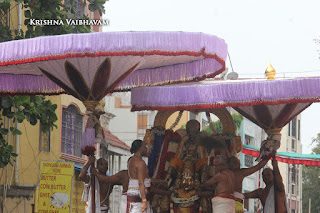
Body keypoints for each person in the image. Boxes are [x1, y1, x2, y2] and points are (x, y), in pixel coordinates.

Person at [127, 139, 152, 213]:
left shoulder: (131, 160)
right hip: (139, 196)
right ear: (139, 149)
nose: (146, 149)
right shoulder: (140, 163)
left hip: (133, 193)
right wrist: (144, 201)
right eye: (144, 147)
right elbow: (141, 183)